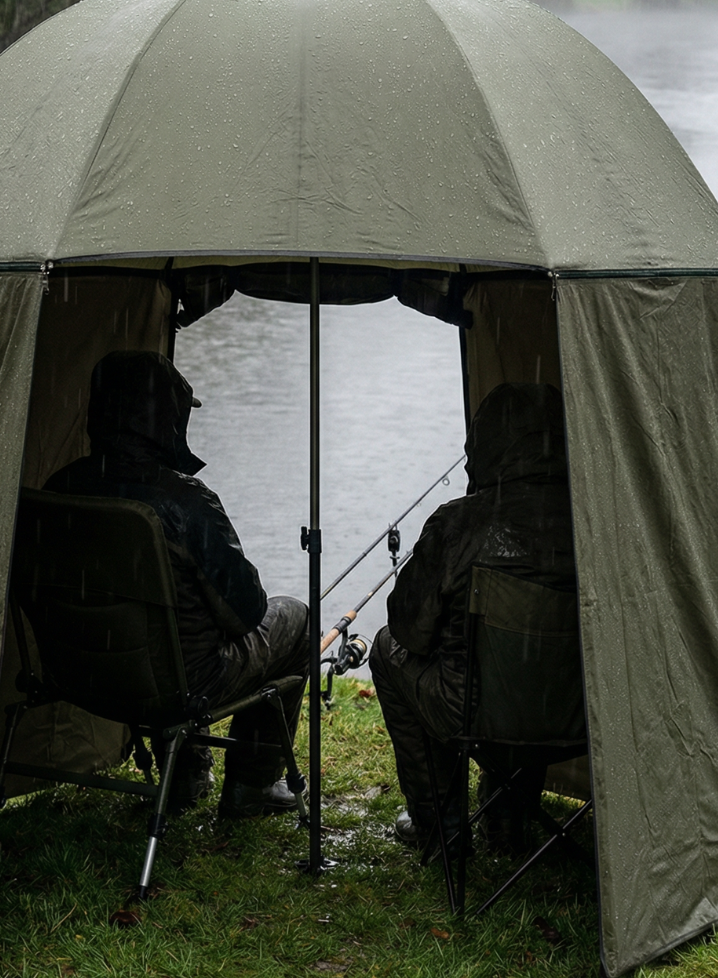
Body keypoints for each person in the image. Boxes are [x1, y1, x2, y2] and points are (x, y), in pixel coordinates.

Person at [45, 350, 308, 819]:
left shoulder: (59, 486)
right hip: (177, 688)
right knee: (297, 619)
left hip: (76, 673)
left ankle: (187, 774)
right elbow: (246, 613)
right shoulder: (186, 502)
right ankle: (249, 786)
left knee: (168, 632)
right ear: (167, 420)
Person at [369, 382, 577, 846]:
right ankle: (508, 819)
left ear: (485, 445)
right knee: (534, 667)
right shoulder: (596, 522)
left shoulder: (458, 524)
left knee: (387, 650)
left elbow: (408, 631)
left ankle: (439, 827)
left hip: (474, 718)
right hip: (576, 717)